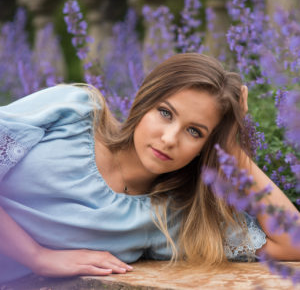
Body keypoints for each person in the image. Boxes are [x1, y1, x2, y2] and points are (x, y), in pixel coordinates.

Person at [0, 53, 299, 283]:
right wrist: (37, 256)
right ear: (144, 100)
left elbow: (292, 241)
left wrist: (232, 150)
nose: (169, 139)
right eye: (165, 113)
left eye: (195, 132)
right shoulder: (73, 112)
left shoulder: (168, 220)